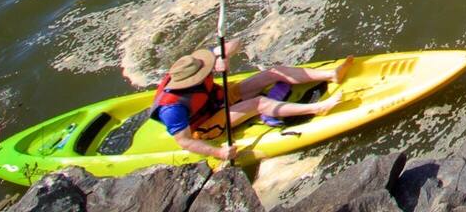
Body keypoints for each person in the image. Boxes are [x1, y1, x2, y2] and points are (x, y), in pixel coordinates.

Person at [149, 41, 349, 160]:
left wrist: (224, 56)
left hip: (219, 98)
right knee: (258, 103)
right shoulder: (172, 108)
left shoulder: (195, 63)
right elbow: (185, 142)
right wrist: (219, 153)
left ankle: (331, 75)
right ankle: (318, 108)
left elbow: (235, 43)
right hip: (205, 125)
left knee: (272, 73)